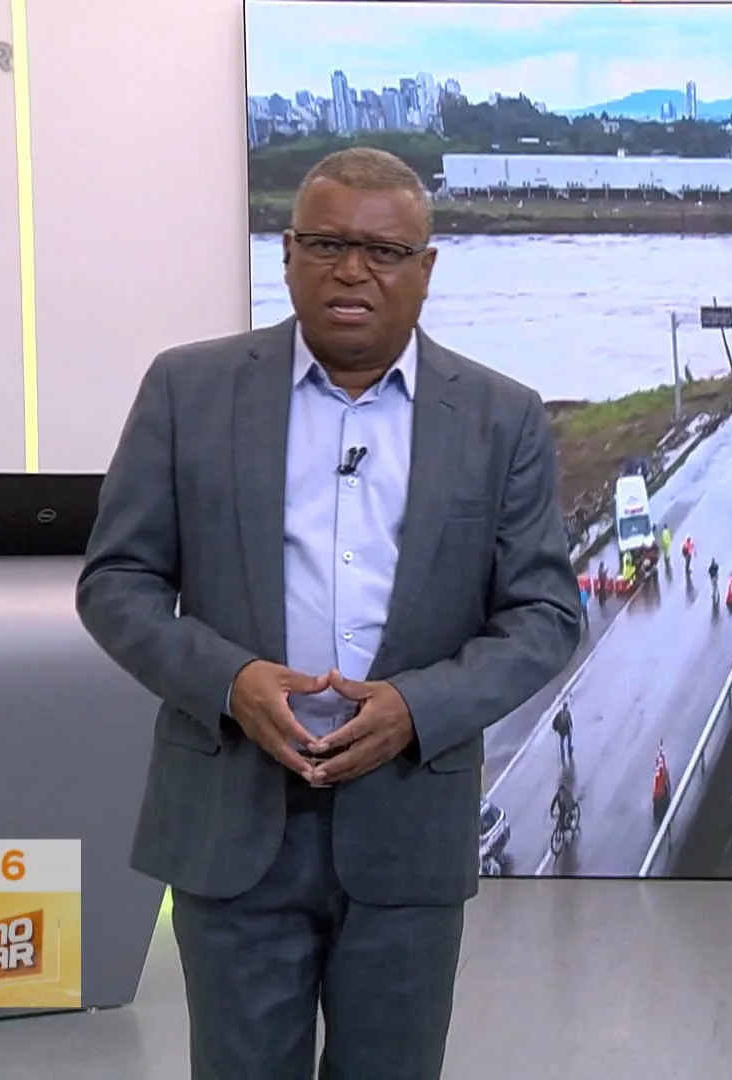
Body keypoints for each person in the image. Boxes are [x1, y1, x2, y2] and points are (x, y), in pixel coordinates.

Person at [76, 147, 580, 1080]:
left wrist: (416, 709)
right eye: (327, 244)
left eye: (385, 253)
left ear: (425, 270)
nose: (353, 271)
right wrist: (229, 683)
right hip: (232, 824)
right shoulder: (188, 391)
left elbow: (546, 613)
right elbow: (115, 583)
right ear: (287, 252)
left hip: (407, 832)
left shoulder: (501, 419)